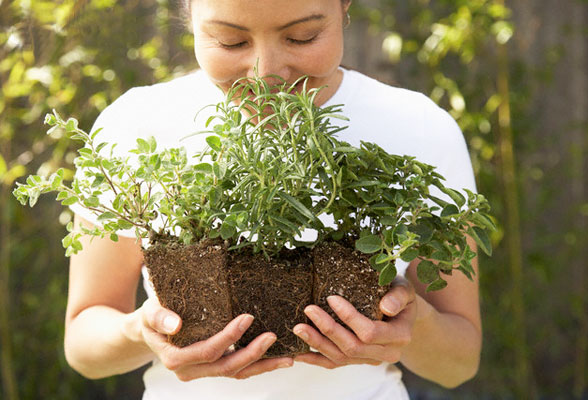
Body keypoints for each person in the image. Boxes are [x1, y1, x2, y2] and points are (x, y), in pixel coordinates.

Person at [64, 0, 482, 399]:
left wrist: (411, 325)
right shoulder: (135, 125)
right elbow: (83, 347)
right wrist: (141, 332)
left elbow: (459, 363)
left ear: (344, 8)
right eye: (231, 41)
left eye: (302, 36)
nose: (266, 74)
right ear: (190, 17)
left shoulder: (420, 127)